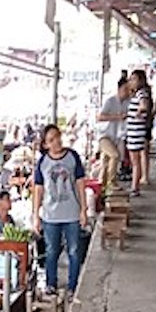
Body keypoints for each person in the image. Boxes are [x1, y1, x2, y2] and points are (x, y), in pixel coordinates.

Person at [33, 124, 88, 301]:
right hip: (50, 215)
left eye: (57, 137)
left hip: (71, 212)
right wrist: (35, 215)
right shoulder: (42, 163)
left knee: (74, 251)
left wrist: (84, 209)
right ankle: (51, 284)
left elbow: (80, 183)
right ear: (45, 144)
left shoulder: (72, 157)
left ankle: (73, 286)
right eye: (51, 140)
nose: (56, 142)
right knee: (51, 251)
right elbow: (38, 189)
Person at [97, 75, 129, 191]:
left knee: (106, 163)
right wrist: (117, 117)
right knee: (115, 155)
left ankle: (103, 187)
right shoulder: (110, 101)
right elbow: (100, 117)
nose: (127, 92)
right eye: (125, 89)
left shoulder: (128, 102)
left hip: (117, 136)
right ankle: (112, 181)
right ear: (119, 89)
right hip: (104, 135)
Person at [125, 69, 151, 196]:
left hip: (136, 131)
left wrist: (138, 114)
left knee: (135, 161)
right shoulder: (138, 93)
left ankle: (135, 187)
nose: (131, 82)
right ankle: (134, 186)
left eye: (134, 79)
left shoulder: (142, 93)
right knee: (134, 160)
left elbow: (144, 105)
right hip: (133, 130)